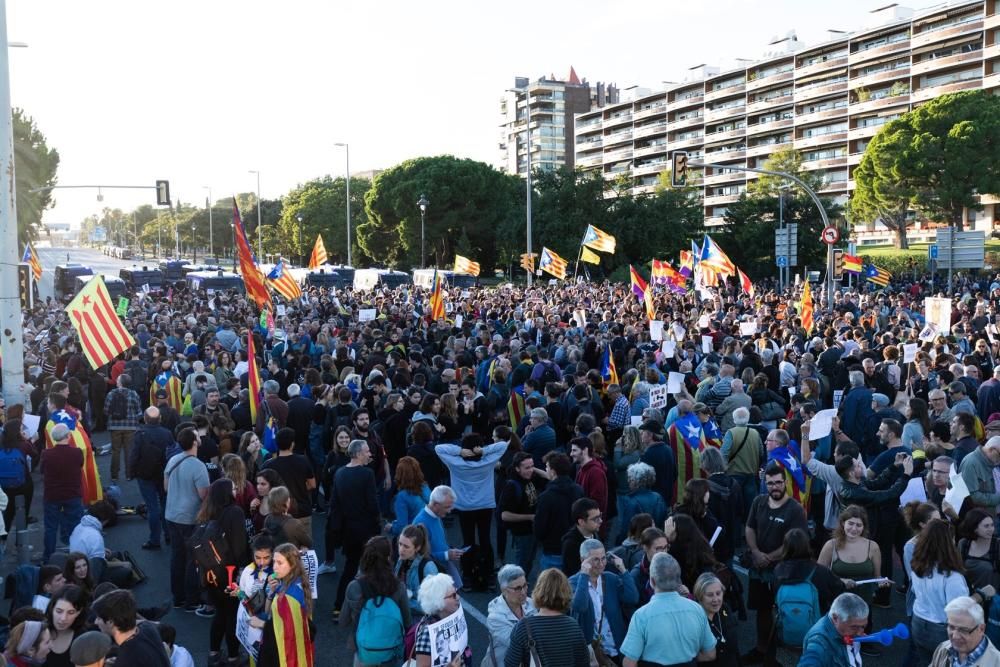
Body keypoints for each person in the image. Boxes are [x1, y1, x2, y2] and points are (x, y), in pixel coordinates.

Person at [743, 461, 808, 664]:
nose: (775, 487)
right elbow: (749, 528)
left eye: (778, 483)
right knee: (762, 611)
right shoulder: (759, 502)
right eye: (770, 483)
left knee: (785, 611)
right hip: (759, 568)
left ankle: (783, 653)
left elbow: (794, 541)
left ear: (785, 482)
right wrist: (755, 552)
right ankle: (762, 649)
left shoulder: (796, 510)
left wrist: (768, 557)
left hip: (783, 571)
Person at [436, 433, 508, 591]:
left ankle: (467, 576)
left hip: (464, 507)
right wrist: (483, 451)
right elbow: (503, 445)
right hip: (485, 506)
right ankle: (488, 575)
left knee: (467, 541)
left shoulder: (455, 463)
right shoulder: (488, 461)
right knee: (485, 540)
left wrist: (458, 452)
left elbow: (439, 448)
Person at [620, 552, 716, 667]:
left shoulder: (642, 616)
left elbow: (629, 663)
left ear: (652, 581)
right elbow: (710, 654)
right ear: (678, 579)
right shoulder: (696, 609)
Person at [196, 478, 249, 666]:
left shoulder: (209, 512)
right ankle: (233, 656)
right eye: (234, 488)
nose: (236, 490)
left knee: (220, 614)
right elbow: (239, 546)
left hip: (211, 574)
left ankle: (213, 654)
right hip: (229, 573)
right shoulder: (235, 512)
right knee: (232, 615)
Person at [329, 439, 382, 619]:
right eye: (367, 451)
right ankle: (374, 607)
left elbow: (334, 505)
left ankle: (338, 606)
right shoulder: (367, 474)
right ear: (359, 454)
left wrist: (336, 532)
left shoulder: (340, 474)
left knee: (350, 568)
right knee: (373, 568)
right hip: (366, 531)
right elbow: (373, 504)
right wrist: (378, 526)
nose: (370, 454)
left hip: (348, 531)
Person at [341, 536, 412, 667]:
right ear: (389, 558)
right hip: (391, 651)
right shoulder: (398, 586)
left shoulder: (355, 586)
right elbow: (407, 622)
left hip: (363, 650)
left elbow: (343, 621)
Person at [911, 518, 974, 665]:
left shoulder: (917, 564)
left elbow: (915, 590)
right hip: (941, 630)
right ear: (949, 541)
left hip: (918, 622)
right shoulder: (952, 576)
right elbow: (959, 609)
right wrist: (980, 596)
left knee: (926, 661)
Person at [568, 538, 638, 663]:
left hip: (615, 648)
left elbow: (632, 598)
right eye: (595, 559)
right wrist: (584, 574)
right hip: (591, 653)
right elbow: (580, 606)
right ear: (583, 561)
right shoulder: (572, 583)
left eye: (603, 558)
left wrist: (623, 570)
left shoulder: (610, 578)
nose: (601, 564)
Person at [163, 427, 210, 611]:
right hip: (190, 518)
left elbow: (166, 488)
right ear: (194, 442)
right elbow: (203, 494)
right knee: (192, 559)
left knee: (177, 556)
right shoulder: (198, 466)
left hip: (171, 515)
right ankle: (191, 598)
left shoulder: (173, 460)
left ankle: (178, 596)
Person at [504, 568, 590, 667]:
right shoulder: (573, 626)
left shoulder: (523, 627)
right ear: (566, 592)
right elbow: (583, 663)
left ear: (538, 590)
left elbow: (510, 663)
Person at [252, 543, 314, 667]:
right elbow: (272, 614)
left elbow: (286, 631)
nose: (274, 567)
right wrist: (271, 592)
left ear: (292, 565)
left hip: (281, 653)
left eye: (280, 563)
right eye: (274, 562)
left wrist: (261, 623)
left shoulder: (288, 597)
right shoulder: (291, 583)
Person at [817, 505, 884, 608]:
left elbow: (877, 577)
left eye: (858, 525)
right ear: (843, 523)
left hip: (863, 604)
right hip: (837, 605)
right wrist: (841, 581)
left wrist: (881, 581)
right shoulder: (831, 546)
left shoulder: (873, 547)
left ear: (863, 527)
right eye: (851, 523)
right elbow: (819, 575)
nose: (854, 529)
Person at [128, 406, 171, 549]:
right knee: (165, 505)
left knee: (153, 507)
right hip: (163, 474)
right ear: (160, 418)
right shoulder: (167, 433)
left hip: (145, 475)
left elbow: (134, 455)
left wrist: (131, 472)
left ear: (145, 418)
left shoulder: (140, 434)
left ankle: (154, 540)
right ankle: (169, 534)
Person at [40, 423, 84, 561]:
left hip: (52, 494)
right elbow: (80, 465)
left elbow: (42, 470)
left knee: (51, 527)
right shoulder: (77, 452)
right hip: (73, 493)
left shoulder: (46, 454)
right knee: (76, 525)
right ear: (68, 436)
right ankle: (77, 554)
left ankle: (48, 556)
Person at [91, 589, 170, 667]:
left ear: (110, 622)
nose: (95, 622)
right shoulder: (148, 628)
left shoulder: (125, 661)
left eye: (98, 618)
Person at [533, 452, 583, 572]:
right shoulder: (578, 490)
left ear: (553, 471)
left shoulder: (546, 496)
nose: (546, 469)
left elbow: (539, 528)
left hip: (553, 551)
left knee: (552, 589)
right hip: (575, 548)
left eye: (547, 467)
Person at [260, 427, 316, 531]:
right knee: (304, 544)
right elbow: (312, 485)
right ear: (292, 444)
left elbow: (263, 489)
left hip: (278, 513)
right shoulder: (303, 460)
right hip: (302, 511)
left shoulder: (268, 465)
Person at [411, 573, 471, 667]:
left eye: (456, 593)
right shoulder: (427, 633)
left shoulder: (452, 615)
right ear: (438, 601)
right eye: (453, 595)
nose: (458, 598)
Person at [413, 485, 466, 591]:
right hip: (433, 576)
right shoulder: (421, 523)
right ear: (436, 505)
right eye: (447, 507)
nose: (450, 511)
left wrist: (449, 551)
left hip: (442, 570)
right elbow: (420, 556)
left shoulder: (437, 516)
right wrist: (446, 555)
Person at [483, 564, 536, 667]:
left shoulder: (532, 604)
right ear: (504, 590)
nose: (524, 592)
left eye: (525, 585)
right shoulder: (495, 618)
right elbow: (518, 644)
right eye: (517, 588)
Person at [799, 593, 870, 667]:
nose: (859, 633)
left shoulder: (843, 629)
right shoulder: (819, 641)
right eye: (854, 627)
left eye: (863, 626)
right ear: (835, 618)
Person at [499, 452, 539, 578]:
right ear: (517, 468)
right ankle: (517, 589)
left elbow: (549, 476)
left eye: (532, 466)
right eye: (527, 468)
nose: (531, 470)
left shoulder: (529, 477)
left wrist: (531, 467)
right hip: (522, 533)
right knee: (521, 565)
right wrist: (530, 517)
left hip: (532, 531)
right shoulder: (512, 486)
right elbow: (504, 515)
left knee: (528, 562)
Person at [930, 596, 1000, 666]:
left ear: (981, 629)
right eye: (951, 627)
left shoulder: (996, 662)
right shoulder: (943, 649)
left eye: (963, 630)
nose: (955, 636)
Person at [693, 572, 740, 667]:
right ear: (700, 596)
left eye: (718, 593)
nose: (716, 599)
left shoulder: (725, 609)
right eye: (710, 595)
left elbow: (735, 650)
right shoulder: (694, 619)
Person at [616, 462, 667, 545]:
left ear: (638, 481)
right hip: (657, 540)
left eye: (631, 479)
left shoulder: (632, 502)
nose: (628, 481)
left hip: (639, 543)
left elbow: (626, 528)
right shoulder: (658, 497)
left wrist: (619, 544)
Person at [103, 373, 142, 482]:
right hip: (131, 427)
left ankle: (114, 475)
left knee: (116, 451)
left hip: (115, 426)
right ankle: (129, 474)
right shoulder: (133, 394)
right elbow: (139, 411)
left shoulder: (111, 394)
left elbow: (106, 410)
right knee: (129, 450)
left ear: (120, 382)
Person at [394, 524, 438, 617]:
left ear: (417, 548)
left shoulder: (428, 568)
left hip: (419, 621)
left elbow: (432, 605)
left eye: (406, 546)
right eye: (400, 544)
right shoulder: (402, 559)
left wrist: (402, 603)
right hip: (404, 614)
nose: (401, 550)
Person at [43, 584, 90, 667]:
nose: (63, 618)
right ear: (52, 608)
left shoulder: (84, 639)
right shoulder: (39, 631)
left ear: (79, 612)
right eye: (59, 611)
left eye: (71, 612)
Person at [561, 498, 602, 577]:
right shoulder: (570, 544)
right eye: (595, 519)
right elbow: (572, 577)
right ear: (581, 522)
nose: (600, 520)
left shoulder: (594, 534)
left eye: (600, 516)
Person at [391, 456, 430, 537]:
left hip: (414, 537)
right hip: (428, 533)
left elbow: (402, 527)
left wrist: (391, 528)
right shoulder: (425, 487)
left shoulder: (402, 497)